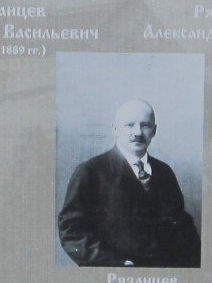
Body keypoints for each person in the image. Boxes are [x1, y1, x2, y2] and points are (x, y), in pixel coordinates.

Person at [58, 99, 200, 268]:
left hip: (162, 277)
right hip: (114, 275)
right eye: (129, 125)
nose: (138, 133)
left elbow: (183, 226)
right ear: (115, 129)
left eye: (145, 125)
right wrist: (114, 263)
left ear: (154, 130)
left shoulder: (164, 172)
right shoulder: (90, 172)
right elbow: (71, 231)